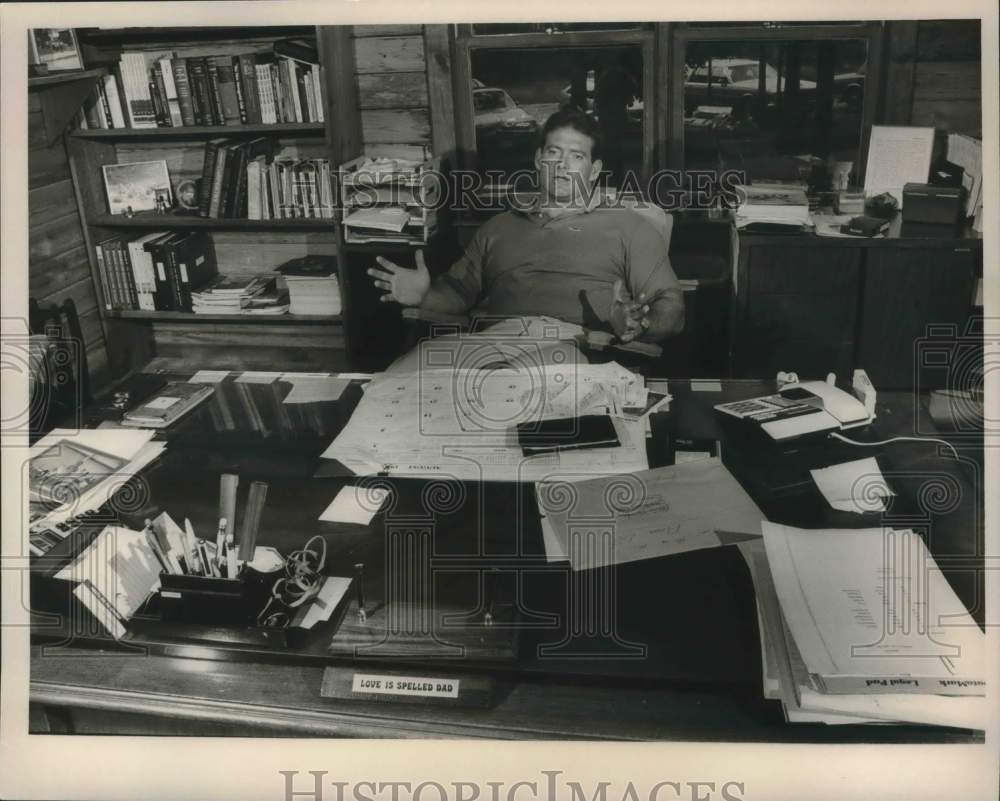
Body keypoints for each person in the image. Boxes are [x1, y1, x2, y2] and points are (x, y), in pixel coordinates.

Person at [367, 108, 684, 344]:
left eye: (576, 156)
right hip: (494, 349)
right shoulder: (498, 227)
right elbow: (459, 292)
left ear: (594, 170)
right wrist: (424, 295)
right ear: (538, 159)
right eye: (553, 152)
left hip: (582, 350)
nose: (561, 165)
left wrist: (637, 323)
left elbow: (671, 306)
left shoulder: (630, 227)